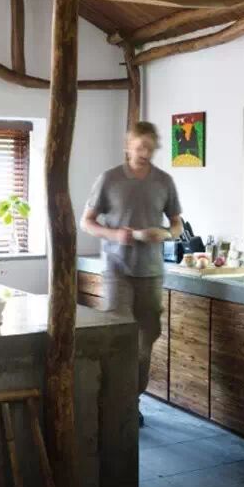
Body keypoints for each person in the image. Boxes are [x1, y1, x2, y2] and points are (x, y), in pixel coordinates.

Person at [80, 121, 183, 426]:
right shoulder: (109, 179)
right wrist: (114, 235)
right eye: (139, 147)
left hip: (151, 272)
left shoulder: (164, 181)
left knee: (144, 342)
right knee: (118, 337)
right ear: (128, 146)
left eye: (150, 148)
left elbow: (177, 224)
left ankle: (131, 400)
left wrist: (165, 234)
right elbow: (87, 222)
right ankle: (113, 402)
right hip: (117, 271)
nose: (144, 153)